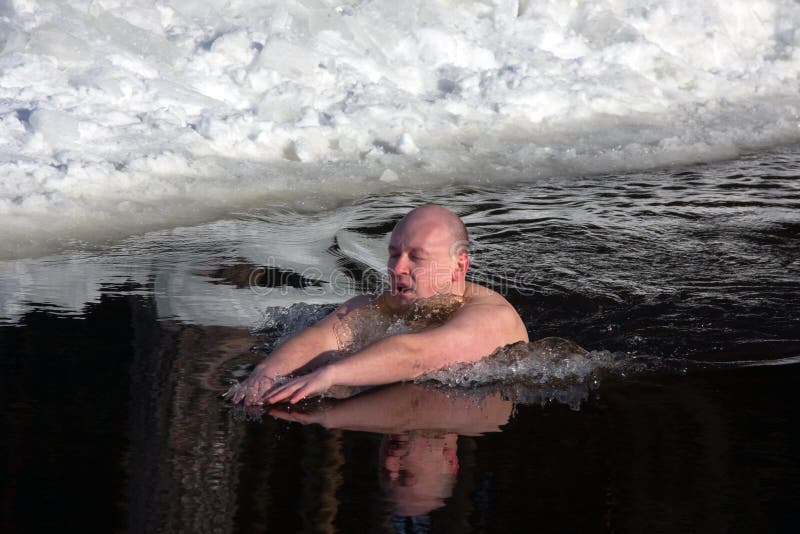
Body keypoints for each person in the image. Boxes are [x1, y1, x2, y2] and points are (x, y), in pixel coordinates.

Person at [231, 203, 529, 406]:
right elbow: (324, 338)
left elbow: (417, 356)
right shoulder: (379, 305)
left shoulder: (491, 318)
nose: (397, 268)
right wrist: (268, 372)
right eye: (393, 253)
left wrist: (330, 376)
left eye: (416, 257)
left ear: (457, 266)